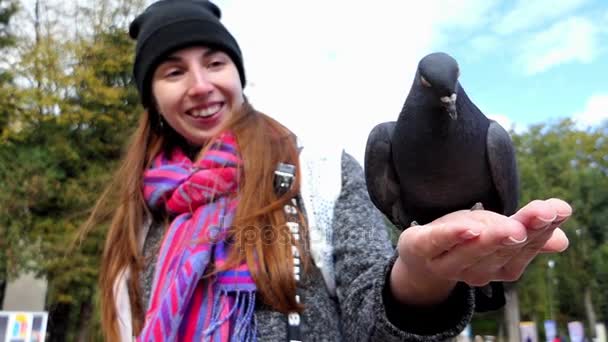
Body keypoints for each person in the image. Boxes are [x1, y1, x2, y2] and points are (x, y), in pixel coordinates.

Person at [83, 0, 572, 340]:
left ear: (237, 73)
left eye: (214, 62)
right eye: (172, 71)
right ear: (152, 97)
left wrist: (419, 281)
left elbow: (370, 315)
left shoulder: (317, 173)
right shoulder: (141, 211)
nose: (200, 85)